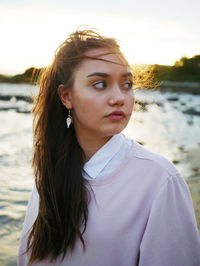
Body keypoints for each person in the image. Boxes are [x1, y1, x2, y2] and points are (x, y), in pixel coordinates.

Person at [18, 29, 200, 266]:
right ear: (66, 97)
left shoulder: (160, 180)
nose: (120, 97)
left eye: (127, 84)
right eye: (100, 84)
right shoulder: (50, 168)